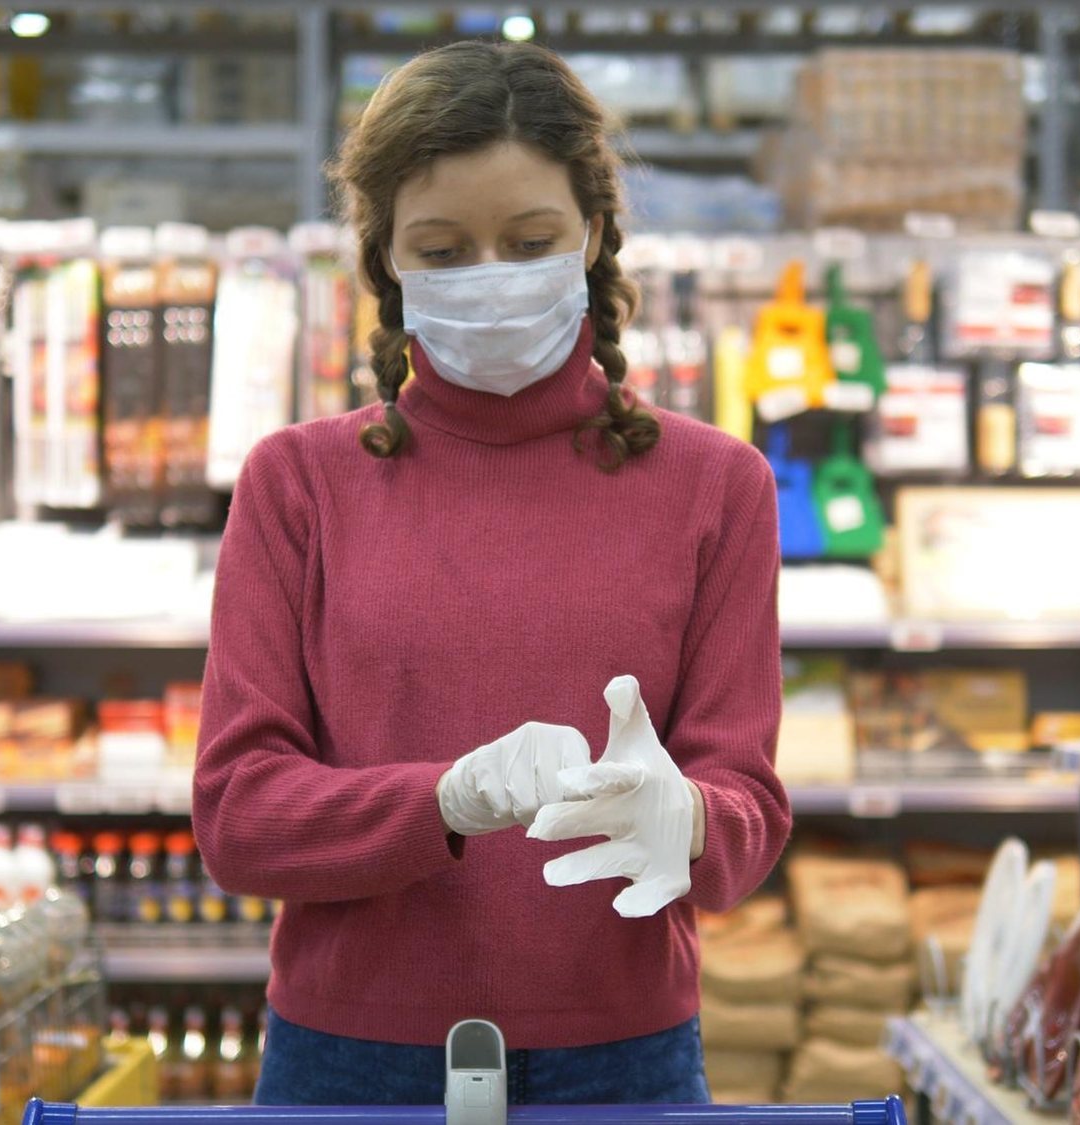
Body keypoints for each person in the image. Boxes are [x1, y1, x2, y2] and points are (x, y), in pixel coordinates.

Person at [192, 40, 790, 1106]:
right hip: (349, 1062)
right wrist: (443, 802)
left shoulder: (717, 486)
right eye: (444, 250)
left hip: (622, 1060)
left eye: (529, 241)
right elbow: (239, 818)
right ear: (385, 261)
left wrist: (691, 820)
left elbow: (746, 807)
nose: (491, 278)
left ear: (594, 235)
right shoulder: (297, 486)